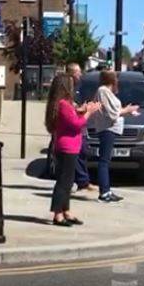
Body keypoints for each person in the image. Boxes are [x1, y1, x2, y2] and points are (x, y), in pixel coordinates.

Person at [45, 73, 100, 226]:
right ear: (65, 87)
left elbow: (71, 118)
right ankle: (57, 214)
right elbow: (76, 124)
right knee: (63, 182)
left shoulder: (62, 104)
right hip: (67, 148)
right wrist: (88, 112)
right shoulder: (63, 104)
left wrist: (81, 110)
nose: (73, 86)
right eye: (71, 84)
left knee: (68, 182)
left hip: (69, 147)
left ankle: (66, 211)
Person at [90, 70, 139, 203]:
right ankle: (104, 193)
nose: (118, 79)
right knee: (104, 161)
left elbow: (113, 111)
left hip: (109, 129)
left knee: (105, 160)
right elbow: (112, 114)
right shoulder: (103, 91)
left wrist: (127, 111)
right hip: (107, 129)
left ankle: (107, 190)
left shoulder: (106, 91)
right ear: (112, 79)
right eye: (116, 77)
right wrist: (127, 110)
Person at [66, 62, 98, 192]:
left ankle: (81, 181)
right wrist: (82, 109)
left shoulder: (80, 86)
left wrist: (85, 106)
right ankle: (82, 181)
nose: (80, 74)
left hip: (81, 124)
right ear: (71, 73)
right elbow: (67, 106)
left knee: (83, 151)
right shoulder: (66, 87)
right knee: (77, 153)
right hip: (73, 124)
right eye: (78, 72)